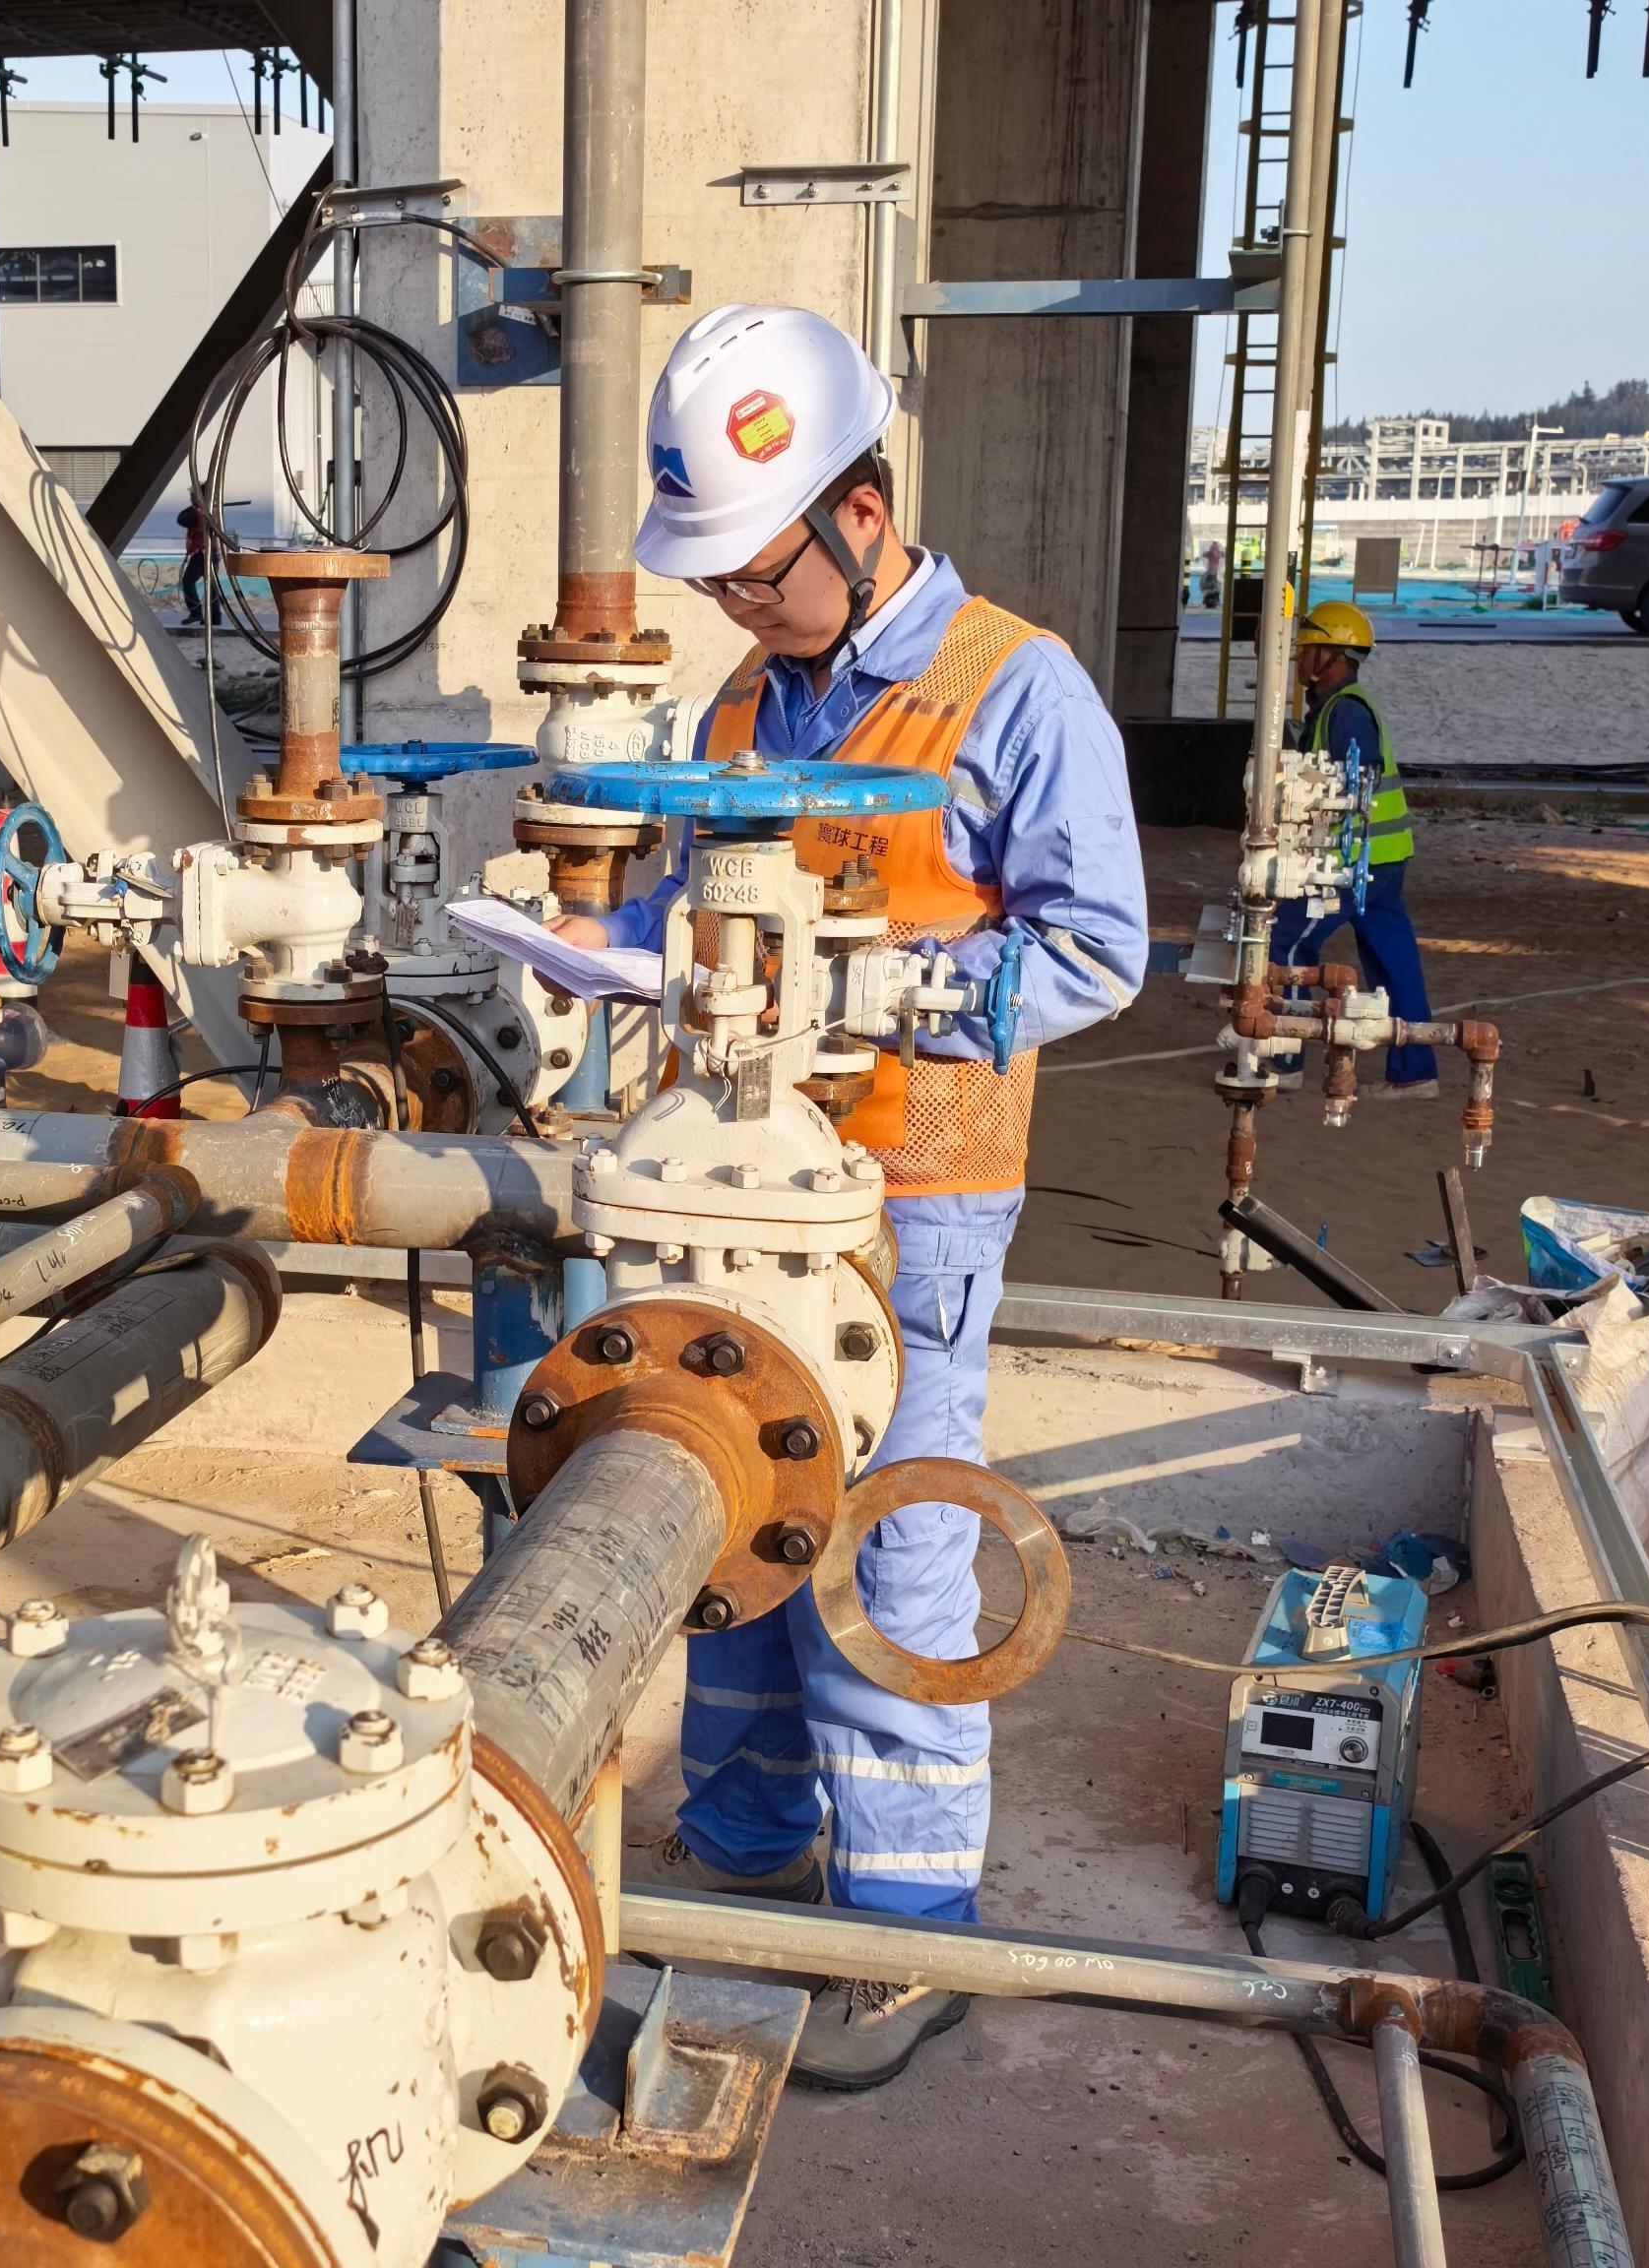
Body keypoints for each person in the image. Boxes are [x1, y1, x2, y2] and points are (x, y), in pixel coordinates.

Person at [545, 303, 1148, 2091]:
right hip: (727, 1182)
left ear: (860, 513)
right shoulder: (743, 697)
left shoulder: (1014, 685)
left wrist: (895, 988)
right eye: (720, 577)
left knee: (887, 1546)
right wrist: (593, 940)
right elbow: (690, 907)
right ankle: (747, 1855)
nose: (740, 605)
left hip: (909, 1200)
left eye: (758, 570)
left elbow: (1099, 947)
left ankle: (901, 1925)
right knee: (731, 1505)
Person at [1268, 601, 1433, 1095]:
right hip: (1383, 857)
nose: (1299, 660)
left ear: (1331, 657)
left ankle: (1284, 1058)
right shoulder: (1340, 707)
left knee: (1286, 941)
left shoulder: (1347, 713)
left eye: (1306, 650)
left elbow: (1353, 785)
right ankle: (1415, 1072)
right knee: (1393, 961)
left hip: (1352, 862)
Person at [175, 497, 213, 625]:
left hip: (201, 554)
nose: (191, 499)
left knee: (188, 581)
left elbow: (181, 519)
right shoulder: (204, 513)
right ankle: (206, 615)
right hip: (204, 553)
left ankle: (197, 613)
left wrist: (195, 507)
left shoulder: (198, 514)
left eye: (192, 496)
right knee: (209, 585)